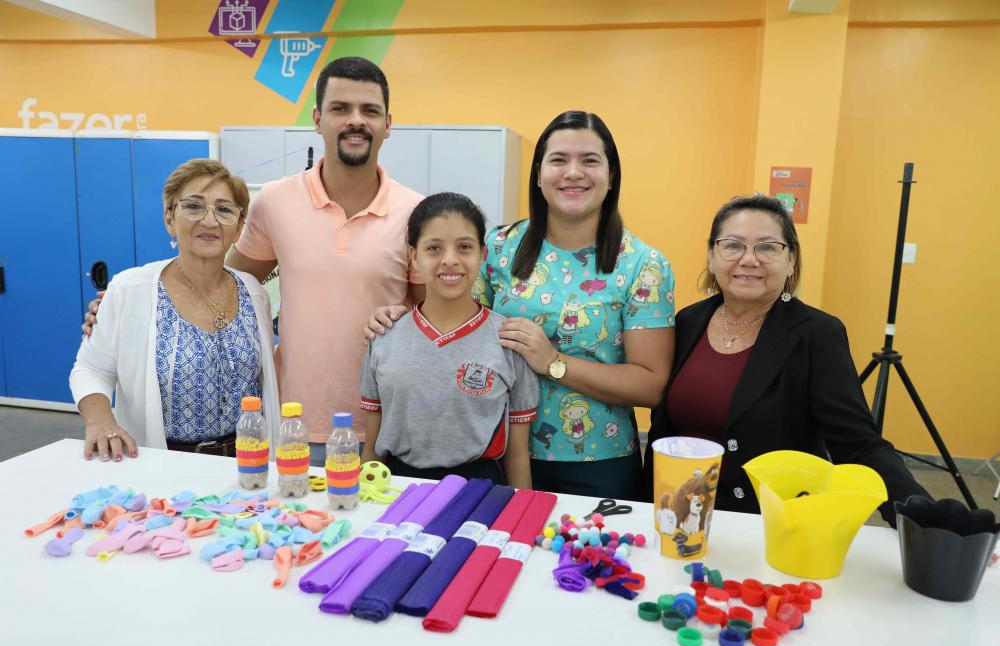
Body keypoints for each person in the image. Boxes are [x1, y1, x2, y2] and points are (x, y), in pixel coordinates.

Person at [82, 57, 424, 465]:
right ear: (317, 119)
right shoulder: (276, 201)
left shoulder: (415, 212)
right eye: (340, 108)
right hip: (292, 425)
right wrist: (124, 307)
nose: (355, 120)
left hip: (385, 427)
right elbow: (224, 281)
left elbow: (431, 315)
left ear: (388, 123)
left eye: (369, 110)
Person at [369, 111, 675, 499]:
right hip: (493, 454)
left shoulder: (643, 266)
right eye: (559, 160)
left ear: (611, 175)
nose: (573, 173)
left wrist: (554, 363)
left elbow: (650, 385)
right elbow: (457, 326)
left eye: (590, 160)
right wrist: (399, 320)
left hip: (598, 463)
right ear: (539, 174)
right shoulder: (499, 247)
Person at [642, 194, 930, 526]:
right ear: (711, 255)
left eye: (767, 247)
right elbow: (664, 431)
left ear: (791, 260)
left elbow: (859, 444)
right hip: (679, 519)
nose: (749, 259)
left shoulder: (817, 334)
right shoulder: (687, 322)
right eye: (733, 245)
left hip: (771, 525)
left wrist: (921, 516)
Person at [70, 159, 280, 461]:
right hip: (165, 465)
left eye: (224, 209)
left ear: (238, 226)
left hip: (249, 463)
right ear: (170, 219)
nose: (210, 221)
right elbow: (90, 369)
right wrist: (100, 421)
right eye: (194, 206)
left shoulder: (254, 292)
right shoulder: (131, 290)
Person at [360, 193, 537, 487]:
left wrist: (520, 511)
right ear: (414, 256)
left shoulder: (509, 341)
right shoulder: (383, 336)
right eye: (434, 248)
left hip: (480, 488)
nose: (450, 260)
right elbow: (371, 447)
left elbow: (518, 456)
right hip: (396, 486)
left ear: (482, 254)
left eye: (464, 247)